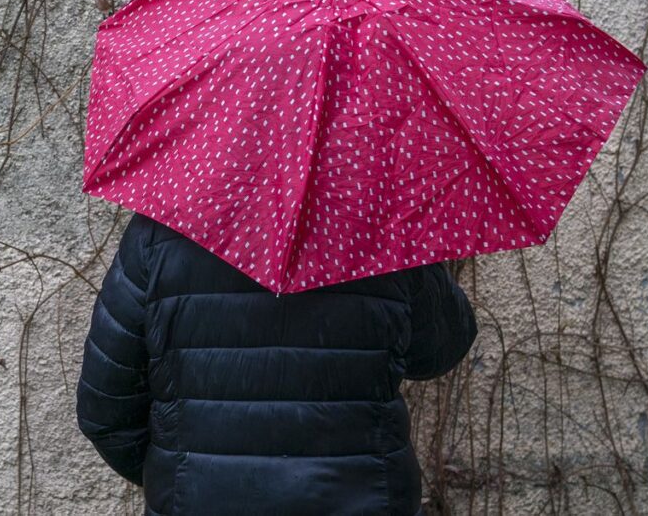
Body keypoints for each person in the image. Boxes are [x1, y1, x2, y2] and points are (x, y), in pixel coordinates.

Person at [76, 211, 478, 516]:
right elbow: (440, 350)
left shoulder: (160, 230)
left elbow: (105, 410)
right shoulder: (384, 217)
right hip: (365, 499)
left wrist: (185, 474)